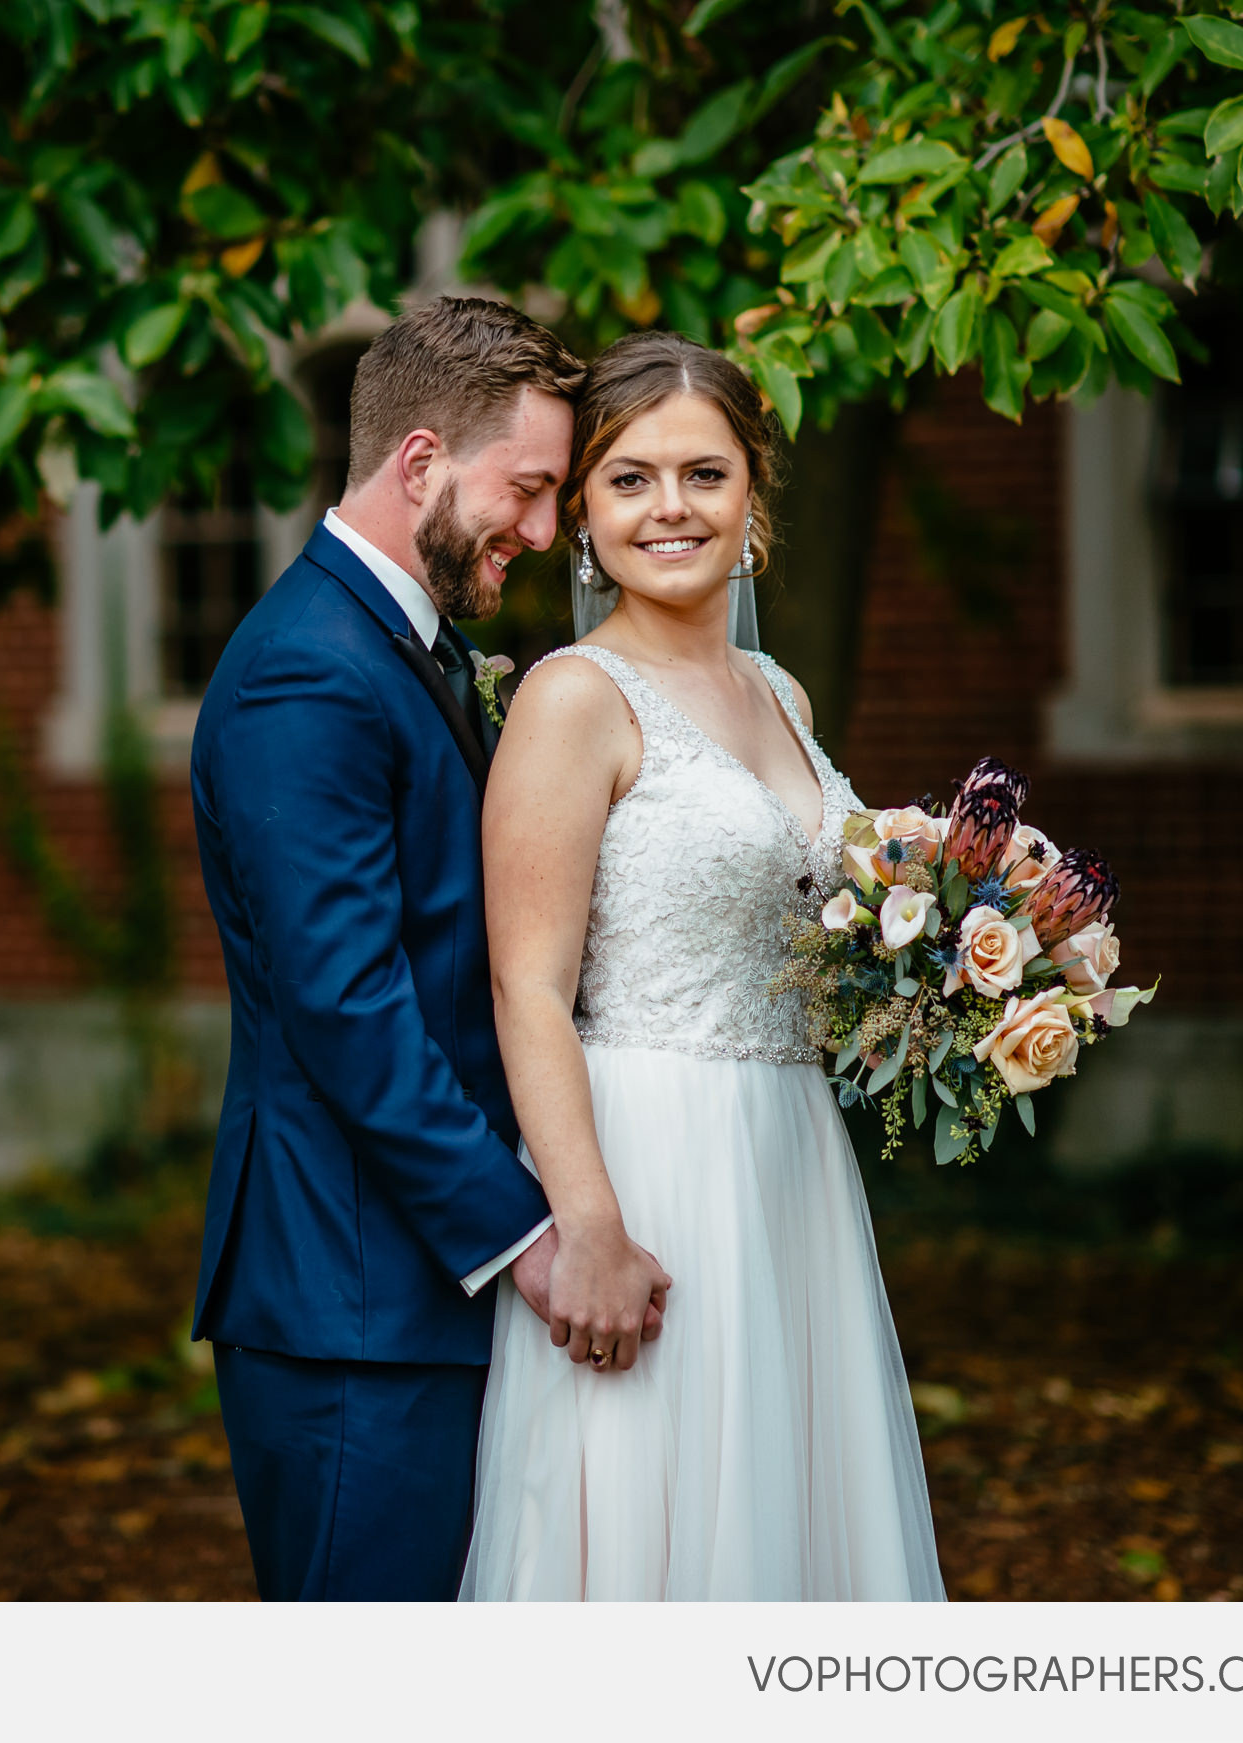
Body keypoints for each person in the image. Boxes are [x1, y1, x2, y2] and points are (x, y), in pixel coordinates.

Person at [188, 297, 664, 1600]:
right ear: (418, 464)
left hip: (406, 1299)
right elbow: (351, 1010)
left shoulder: (410, 649)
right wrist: (532, 1238)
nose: (542, 528)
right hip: (350, 1308)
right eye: (525, 488)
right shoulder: (308, 673)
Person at [457, 329, 944, 1600]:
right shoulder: (574, 698)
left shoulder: (778, 691)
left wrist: (954, 992)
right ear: (582, 515)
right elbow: (527, 989)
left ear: (753, 497)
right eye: (629, 479)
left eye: (704, 474)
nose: (670, 508)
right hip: (649, 1160)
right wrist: (590, 1228)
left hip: (788, 1164)